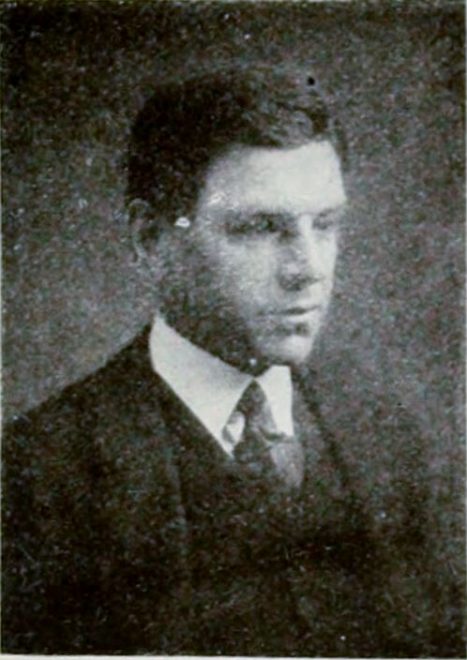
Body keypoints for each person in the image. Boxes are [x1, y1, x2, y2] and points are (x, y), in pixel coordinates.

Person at [2, 64, 464, 656]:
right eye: (259, 229)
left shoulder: (386, 438)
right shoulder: (37, 477)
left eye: (325, 225)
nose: (308, 269)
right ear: (150, 239)